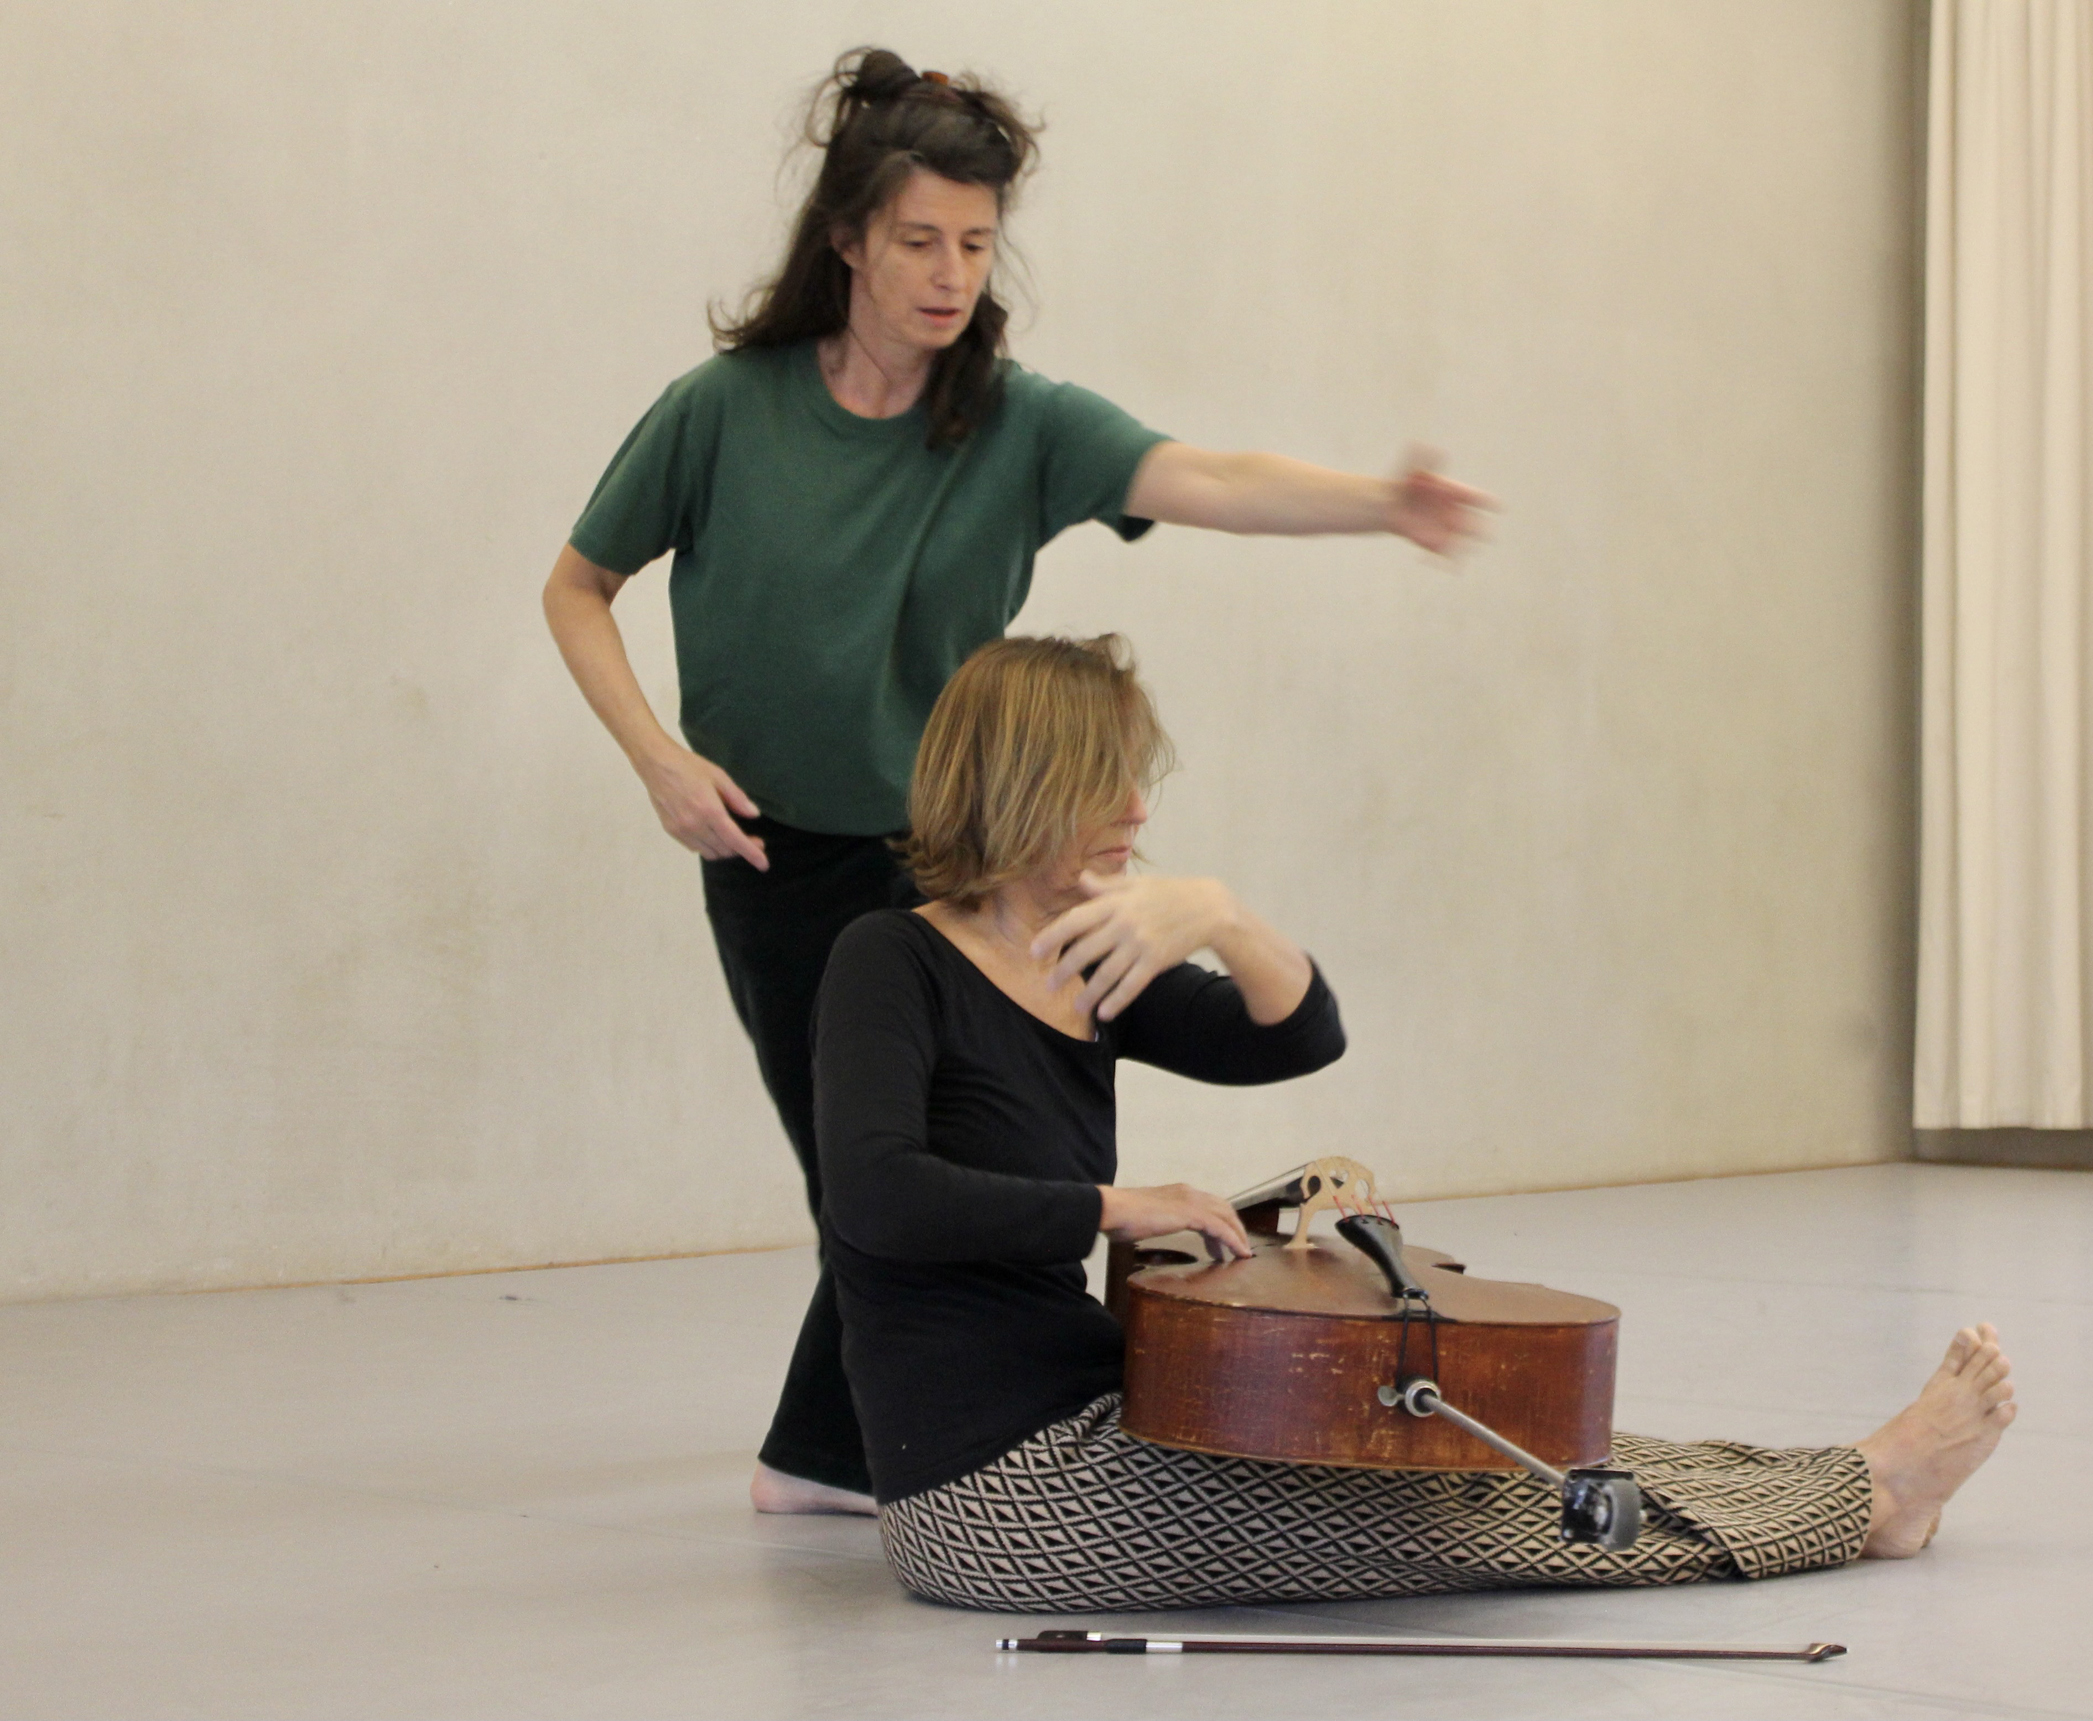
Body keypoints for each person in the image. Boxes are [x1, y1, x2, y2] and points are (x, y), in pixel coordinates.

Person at [542, 48, 1494, 1519]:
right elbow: (576, 587)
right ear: (848, 238)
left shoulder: (1019, 421)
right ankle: (829, 1457)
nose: (949, 274)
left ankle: (827, 1457)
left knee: (951, 1159)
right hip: (773, 855)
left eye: (977, 246)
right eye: (919, 240)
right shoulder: (721, 410)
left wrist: (1378, 503)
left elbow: (1213, 478)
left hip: (962, 854)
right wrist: (659, 762)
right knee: (859, 1170)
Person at [816, 633, 2019, 1612]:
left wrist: (1222, 916)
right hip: (989, 1493)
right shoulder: (893, 958)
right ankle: (1868, 1498)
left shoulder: (1089, 961)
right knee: (1452, 1506)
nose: (1137, 806)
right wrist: (1123, 1205)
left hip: (1092, 1412)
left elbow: (1295, 1034)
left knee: (1477, 1448)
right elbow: (874, 1194)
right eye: (1105, 781)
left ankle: (1866, 1478)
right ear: (1023, 781)